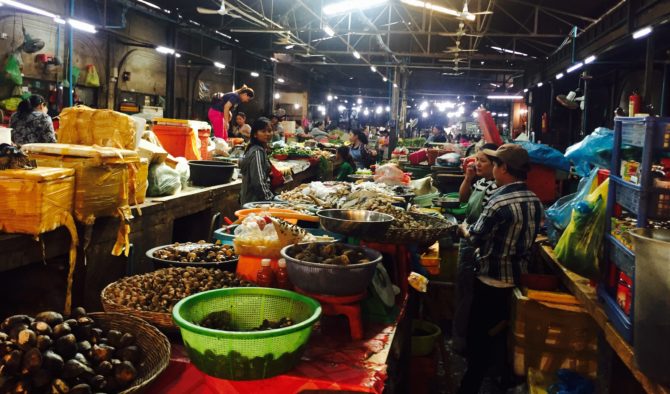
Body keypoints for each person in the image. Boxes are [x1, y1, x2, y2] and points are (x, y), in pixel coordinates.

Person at [457, 144, 543, 394]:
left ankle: (471, 385)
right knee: (502, 331)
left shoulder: (499, 201)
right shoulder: (534, 199)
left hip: (491, 279)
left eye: (495, 164)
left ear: (504, 168)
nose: (492, 168)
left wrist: (462, 228)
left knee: (478, 337)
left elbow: (475, 237)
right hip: (516, 279)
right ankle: (499, 378)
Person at [452, 143, 499, 355]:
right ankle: (460, 336)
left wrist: (467, 232)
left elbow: (485, 225)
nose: (477, 164)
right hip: (468, 236)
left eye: (483, 161)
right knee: (463, 289)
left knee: (468, 292)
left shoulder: (496, 188)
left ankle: (463, 341)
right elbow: (463, 199)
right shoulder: (480, 182)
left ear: (496, 165)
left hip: (475, 241)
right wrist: (468, 178)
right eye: (476, 159)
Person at [239, 117, 274, 204]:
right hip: (254, 202)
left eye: (269, 131)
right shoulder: (257, 152)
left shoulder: (257, 148)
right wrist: (270, 199)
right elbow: (258, 182)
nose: (267, 134)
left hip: (251, 200)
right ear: (255, 134)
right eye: (263, 131)